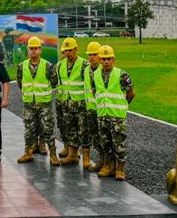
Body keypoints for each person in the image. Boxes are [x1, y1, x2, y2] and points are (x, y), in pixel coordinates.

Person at [92, 45, 134, 181]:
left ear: (113, 60)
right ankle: (108, 166)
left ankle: (120, 169)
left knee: (119, 143)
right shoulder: (96, 74)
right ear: (100, 60)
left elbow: (131, 93)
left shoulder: (122, 75)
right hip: (102, 115)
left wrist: (123, 106)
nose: (106, 62)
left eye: (109, 59)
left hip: (117, 116)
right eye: (103, 59)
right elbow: (95, 91)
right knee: (106, 143)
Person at [15, 37, 60, 166]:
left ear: (40, 50)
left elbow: (54, 82)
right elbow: (20, 83)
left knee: (48, 130)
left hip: (44, 105)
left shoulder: (48, 66)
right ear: (28, 50)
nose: (34, 51)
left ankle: (53, 155)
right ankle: (28, 152)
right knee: (29, 130)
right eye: (31, 48)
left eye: (36, 48)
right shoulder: (21, 66)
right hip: (29, 104)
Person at [57, 37, 90, 166]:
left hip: (81, 106)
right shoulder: (60, 65)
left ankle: (86, 157)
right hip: (66, 105)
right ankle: (72, 154)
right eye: (65, 51)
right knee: (70, 130)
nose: (68, 53)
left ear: (76, 49)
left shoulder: (84, 65)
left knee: (83, 131)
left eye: (70, 50)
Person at [83, 42, 105, 172]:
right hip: (91, 110)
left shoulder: (105, 71)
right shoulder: (86, 70)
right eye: (90, 55)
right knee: (96, 138)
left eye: (95, 54)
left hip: (104, 111)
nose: (92, 57)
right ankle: (102, 160)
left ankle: (110, 164)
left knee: (107, 139)